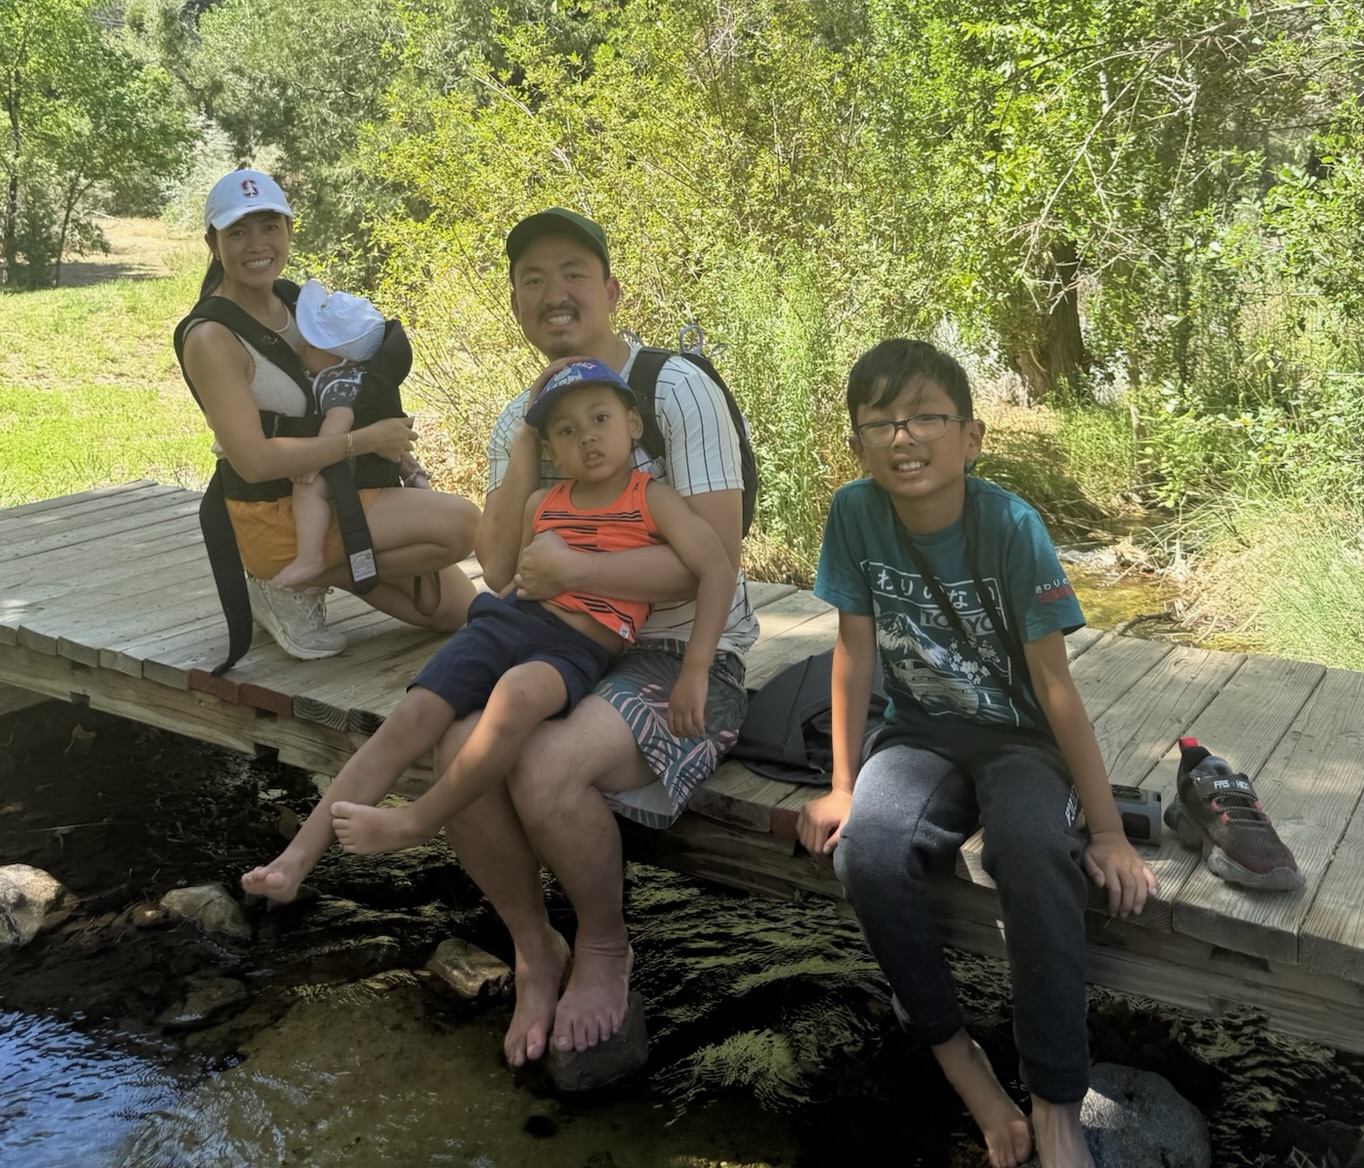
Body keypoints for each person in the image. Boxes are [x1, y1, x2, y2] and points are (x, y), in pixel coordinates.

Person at [797, 339, 1156, 1168]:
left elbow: (1056, 687)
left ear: (972, 435)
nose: (903, 436)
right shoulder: (854, 513)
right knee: (870, 853)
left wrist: (1106, 832)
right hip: (917, 732)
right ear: (857, 443)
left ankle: (1056, 1098)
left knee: (1032, 849)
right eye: (880, 421)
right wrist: (842, 785)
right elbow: (852, 653)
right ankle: (962, 1062)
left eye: (926, 415)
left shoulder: (1010, 526)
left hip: (1020, 740)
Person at [443, 208, 759, 1069]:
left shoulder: (672, 388)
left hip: (683, 655)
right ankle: (531, 944)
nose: (555, 294)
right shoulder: (527, 416)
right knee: (459, 751)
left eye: (574, 273)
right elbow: (502, 565)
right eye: (533, 279)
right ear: (512, 301)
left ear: (612, 290)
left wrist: (576, 574)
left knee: (547, 765)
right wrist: (517, 466)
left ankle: (606, 945)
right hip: (567, 645)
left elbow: (717, 558)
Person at [241, 358, 736, 885]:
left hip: (575, 648)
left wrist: (695, 670)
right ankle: (294, 861)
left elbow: (717, 569)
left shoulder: (651, 499)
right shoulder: (541, 503)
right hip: (503, 625)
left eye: (601, 419)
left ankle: (418, 820)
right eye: (567, 430)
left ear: (632, 424)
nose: (587, 438)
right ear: (550, 448)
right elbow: (515, 579)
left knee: (517, 695)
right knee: (412, 719)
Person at [175, 169, 477, 666]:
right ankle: (288, 577)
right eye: (238, 231)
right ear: (213, 242)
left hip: (338, 494)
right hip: (273, 513)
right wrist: (365, 440)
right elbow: (252, 460)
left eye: (270, 226)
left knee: (457, 611)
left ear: (290, 231)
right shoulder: (212, 338)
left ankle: (307, 578)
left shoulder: (302, 304)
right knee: (461, 526)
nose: (257, 244)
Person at [272, 280, 407, 592]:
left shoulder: (336, 381)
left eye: (313, 343)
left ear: (339, 357)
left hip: (351, 461)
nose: (300, 346)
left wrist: (313, 459)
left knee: (308, 489)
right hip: (373, 460)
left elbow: (340, 419)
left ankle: (309, 558)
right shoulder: (361, 374)